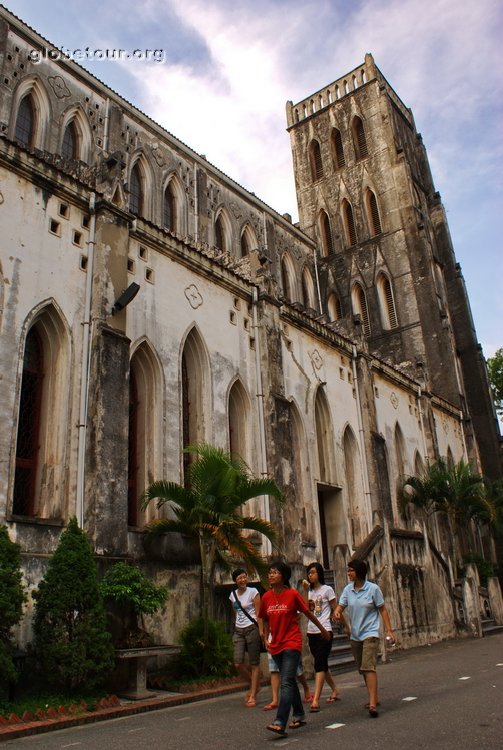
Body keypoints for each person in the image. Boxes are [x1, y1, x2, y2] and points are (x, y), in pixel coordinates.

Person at [259, 560, 331, 736]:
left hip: (291, 642)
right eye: (270, 572)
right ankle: (298, 714)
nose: (271, 575)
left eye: (275, 572)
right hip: (275, 644)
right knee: (289, 681)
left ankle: (280, 720)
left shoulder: (292, 594)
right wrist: (265, 636)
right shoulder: (267, 597)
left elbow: (307, 613)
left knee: (286, 681)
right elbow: (264, 618)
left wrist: (322, 630)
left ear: (283, 576)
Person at [334, 558, 396, 718]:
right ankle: (373, 696)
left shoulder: (373, 589)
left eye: (351, 570)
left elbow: (382, 609)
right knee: (362, 668)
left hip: (371, 632)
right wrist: (337, 611)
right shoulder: (348, 590)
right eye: (348, 570)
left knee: (368, 666)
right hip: (356, 634)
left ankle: (373, 703)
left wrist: (389, 630)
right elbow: (341, 605)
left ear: (359, 572)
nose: (348, 573)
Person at [301, 562, 341, 711]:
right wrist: (305, 592)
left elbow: (336, 608)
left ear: (319, 574)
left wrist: (346, 626)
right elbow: (306, 610)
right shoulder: (309, 591)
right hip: (311, 631)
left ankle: (316, 699)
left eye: (313, 572)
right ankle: (335, 689)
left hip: (325, 630)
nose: (310, 575)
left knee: (319, 663)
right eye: (308, 573)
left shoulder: (327, 590)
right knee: (322, 663)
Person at [229, 568, 262, 707]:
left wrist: (261, 631)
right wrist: (237, 626)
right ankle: (255, 685)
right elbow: (235, 612)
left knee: (254, 663)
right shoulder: (232, 595)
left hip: (252, 628)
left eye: (244, 577)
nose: (242, 580)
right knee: (237, 663)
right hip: (239, 630)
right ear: (235, 581)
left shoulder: (253, 592)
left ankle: (253, 694)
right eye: (239, 578)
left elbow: (258, 613)